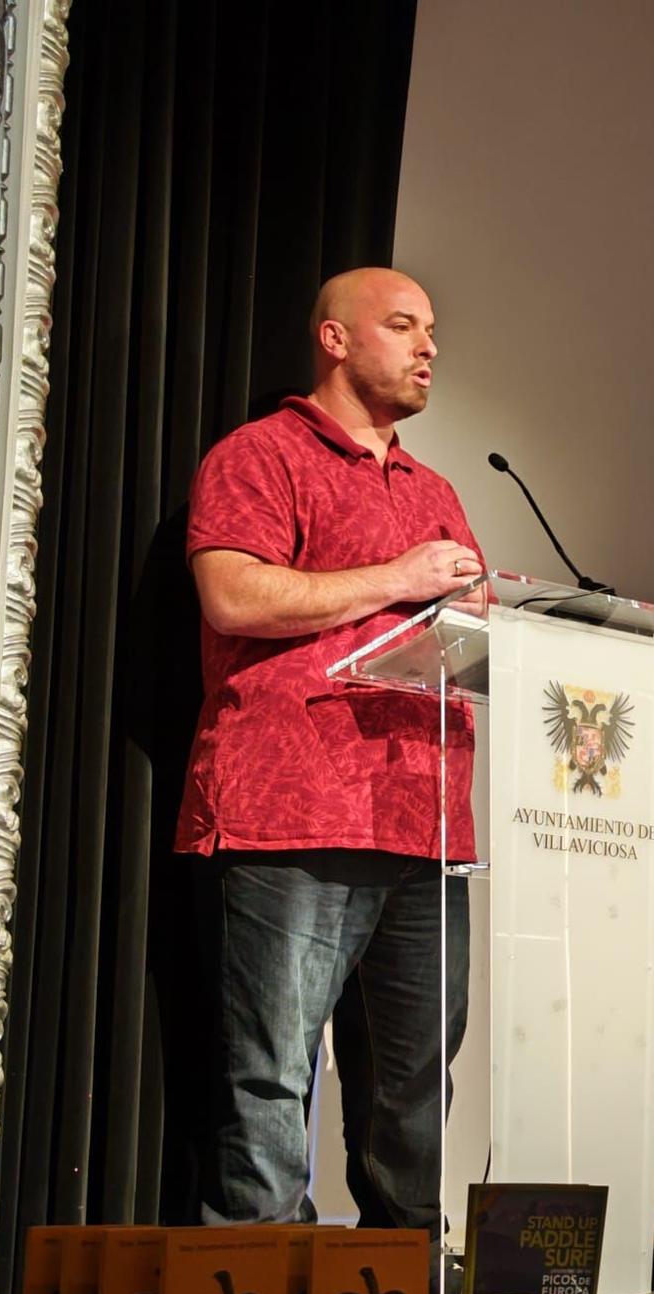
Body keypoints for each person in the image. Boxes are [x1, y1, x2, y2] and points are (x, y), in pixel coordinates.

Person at [178, 267, 484, 1234]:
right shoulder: (260, 457)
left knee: (413, 1088)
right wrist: (395, 578)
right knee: (269, 1076)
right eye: (403, 325)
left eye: (433, 328)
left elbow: (466, 637)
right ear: (335, 339)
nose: (428, 345)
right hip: (293, 810)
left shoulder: (434, 490)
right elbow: (232, 596)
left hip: (422, 820)